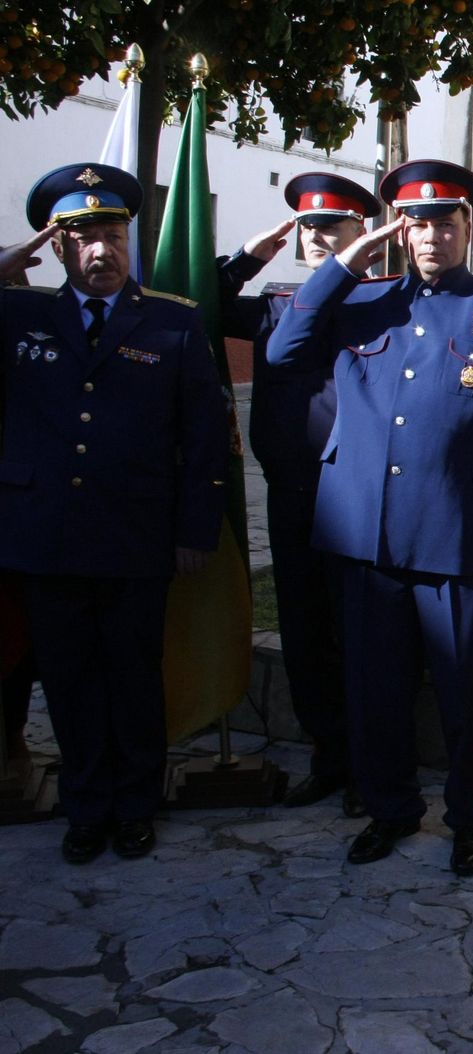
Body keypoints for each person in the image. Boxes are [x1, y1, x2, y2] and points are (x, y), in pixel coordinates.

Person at [266, 159, 473, 877]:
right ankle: (389, 808)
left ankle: (470, 818)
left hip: (456, 538)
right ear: (399, 231)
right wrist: (346, 263)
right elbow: (281, 349)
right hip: (364, 536)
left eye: (445, 223)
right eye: (417, 224)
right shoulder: (360, 300)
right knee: (375, 690)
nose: (431, 236)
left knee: (463, 696)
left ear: (466, 228)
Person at [0, 163, 227, 863]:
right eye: (84, 238)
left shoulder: (173, 322)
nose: (103, 250)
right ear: (59, 248)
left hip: (137, 535)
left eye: (114, 235)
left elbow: (204, 436)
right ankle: (85, 807)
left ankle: (135, 805)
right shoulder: (20, 315)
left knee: (133, 675)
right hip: (47, 537)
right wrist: (7, 263)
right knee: (67, 679)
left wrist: (195, 529)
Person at [219, 173, 382, 817]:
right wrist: (247, 258)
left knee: (360, 635)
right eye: (308, 228)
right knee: (305, 632)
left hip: (360, 498)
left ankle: (369, 764)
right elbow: (199, 304)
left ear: (360, 232)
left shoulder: (382, 301)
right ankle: (328, 756)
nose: (316, 237)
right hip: (291, 493)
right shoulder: (276, 304)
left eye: (331, 228)